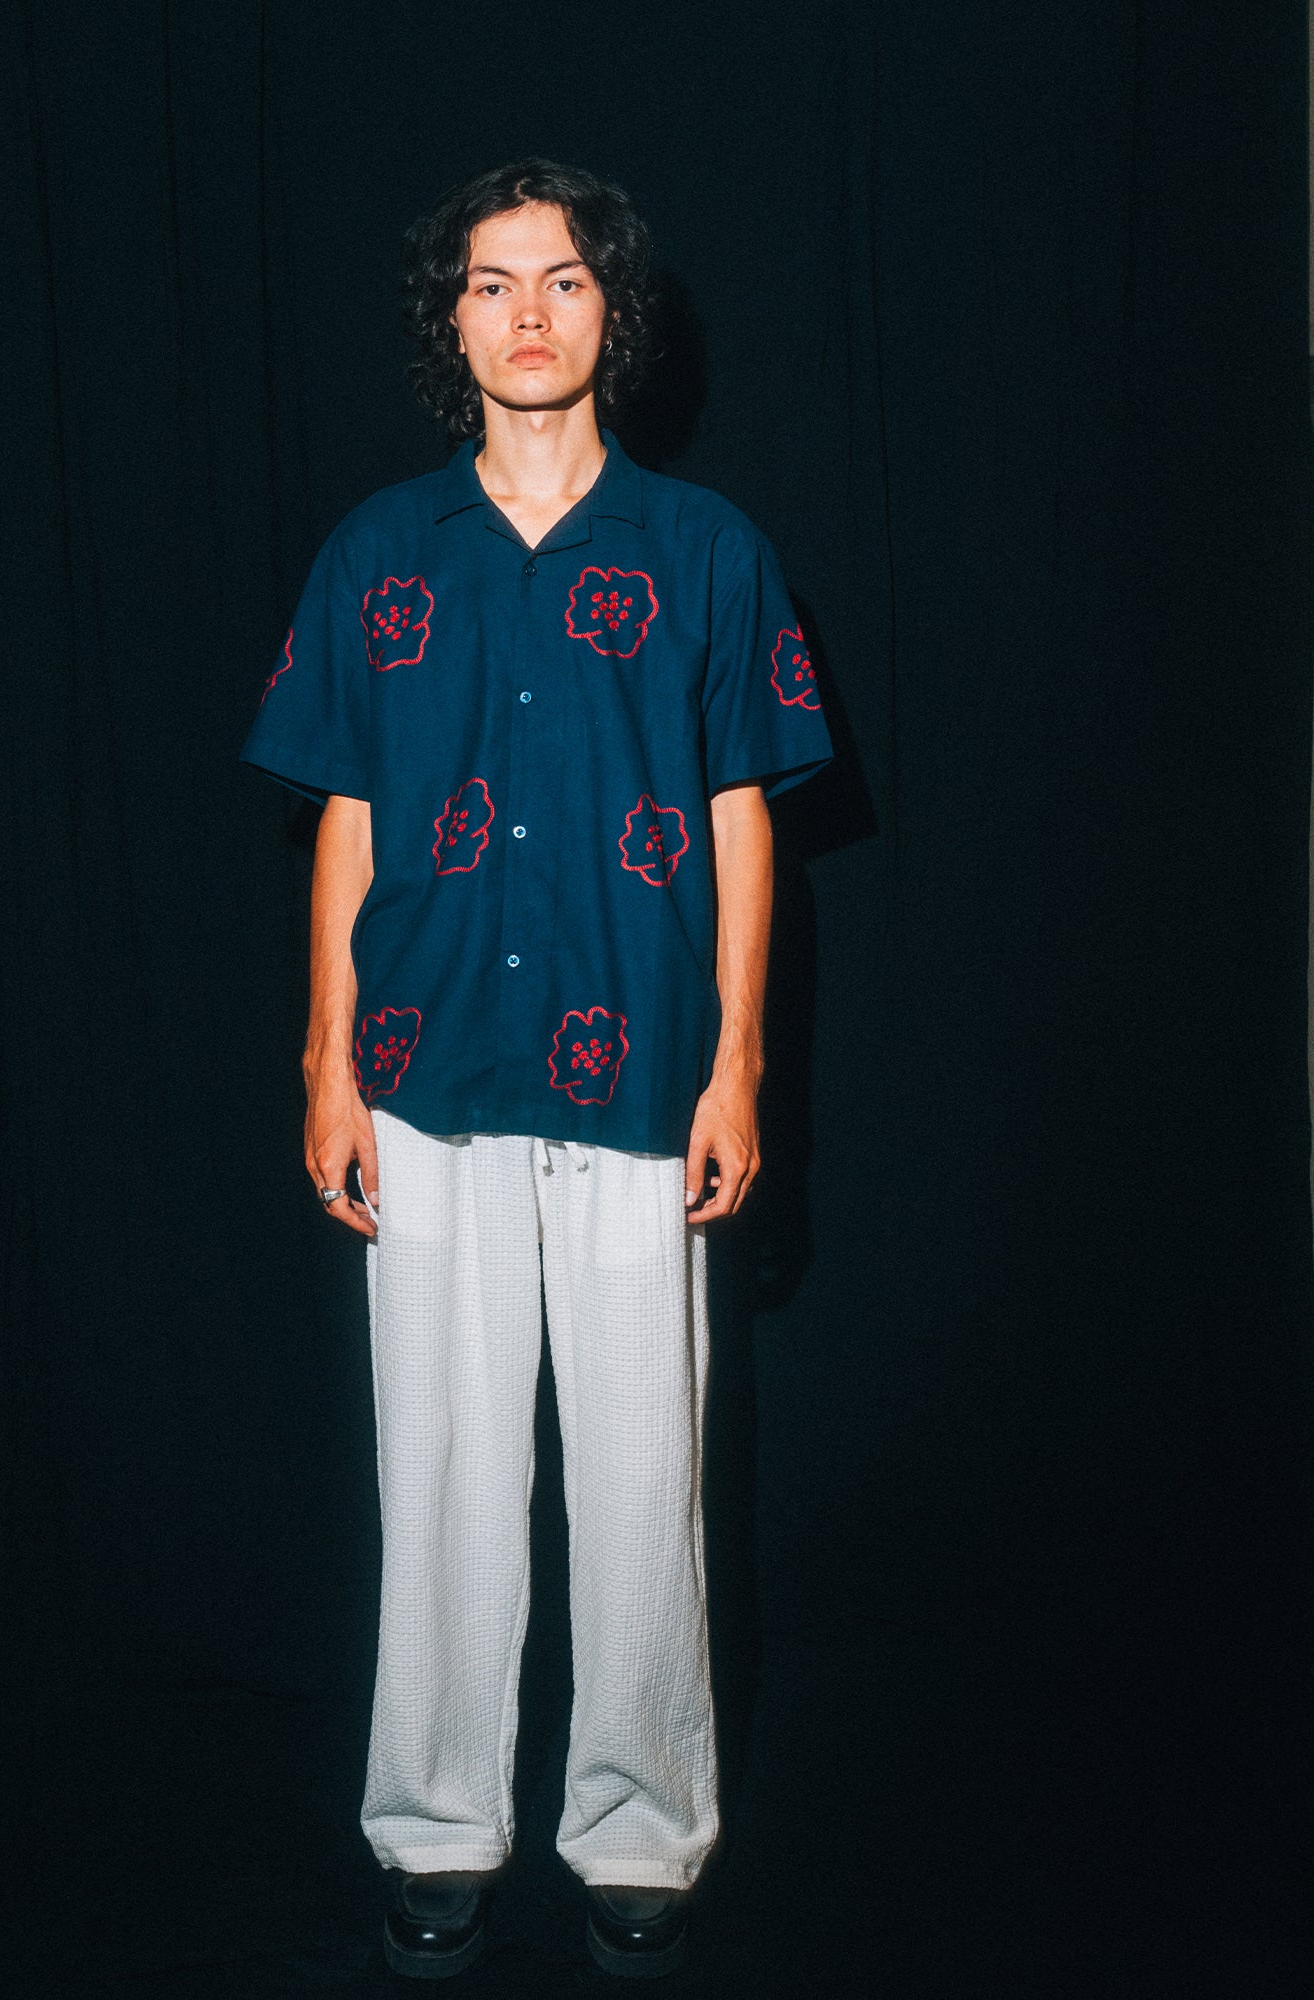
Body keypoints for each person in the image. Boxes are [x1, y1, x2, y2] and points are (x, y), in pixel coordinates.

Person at [240, 159, 832, 1980]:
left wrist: (737, 1067)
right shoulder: (374, 554)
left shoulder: (711, 552)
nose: (524, 312)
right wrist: (330, 1065)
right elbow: (342, 812)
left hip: (640, 1069)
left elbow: (746, 821)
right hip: (423, 1072)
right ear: (452, 320)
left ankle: (641, 1829)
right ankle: (436, 1822)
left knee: (643, 1473)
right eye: (490, 284)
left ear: (608, 312)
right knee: (436, 1470)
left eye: (560, 281)